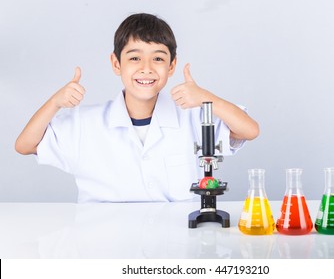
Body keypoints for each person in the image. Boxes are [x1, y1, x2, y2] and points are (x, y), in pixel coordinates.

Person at [15, 13, 259, 203]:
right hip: (102, 244)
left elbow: (249, 130)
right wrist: (55, 102)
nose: (146, 68)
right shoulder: (86, 123)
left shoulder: (192, 116)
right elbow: (25, 145)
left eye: (158, 58)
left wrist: (207, 98)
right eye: (134, 58)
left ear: (171, 66)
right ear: (115, 63)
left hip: (174, 245)